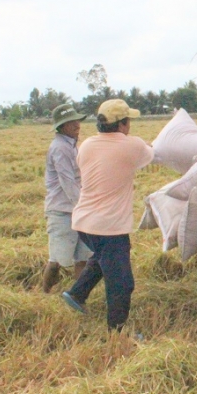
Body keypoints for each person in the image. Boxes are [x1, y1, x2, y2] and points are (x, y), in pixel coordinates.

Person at [61, 99, 153, 332]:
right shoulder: (131, 145)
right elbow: (150, 155)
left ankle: (76, 294)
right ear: (122, 124)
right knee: (122, 283)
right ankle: (117, 331)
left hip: (83, 222)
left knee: (103, 258)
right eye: (128, 120)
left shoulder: (87, 145)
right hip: (109, 227)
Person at [42, 104, 91, 293]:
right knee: (57, 261)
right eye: (70, 122)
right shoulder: (60, 148)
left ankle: (77, 295)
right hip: (62, 211)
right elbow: (67, 182)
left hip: (76, 208)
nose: (76, 124)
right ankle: (45, 293)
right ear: (61, 126)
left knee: (83, 259)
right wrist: (84, 206)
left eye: (76, 120)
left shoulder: (72, 145)